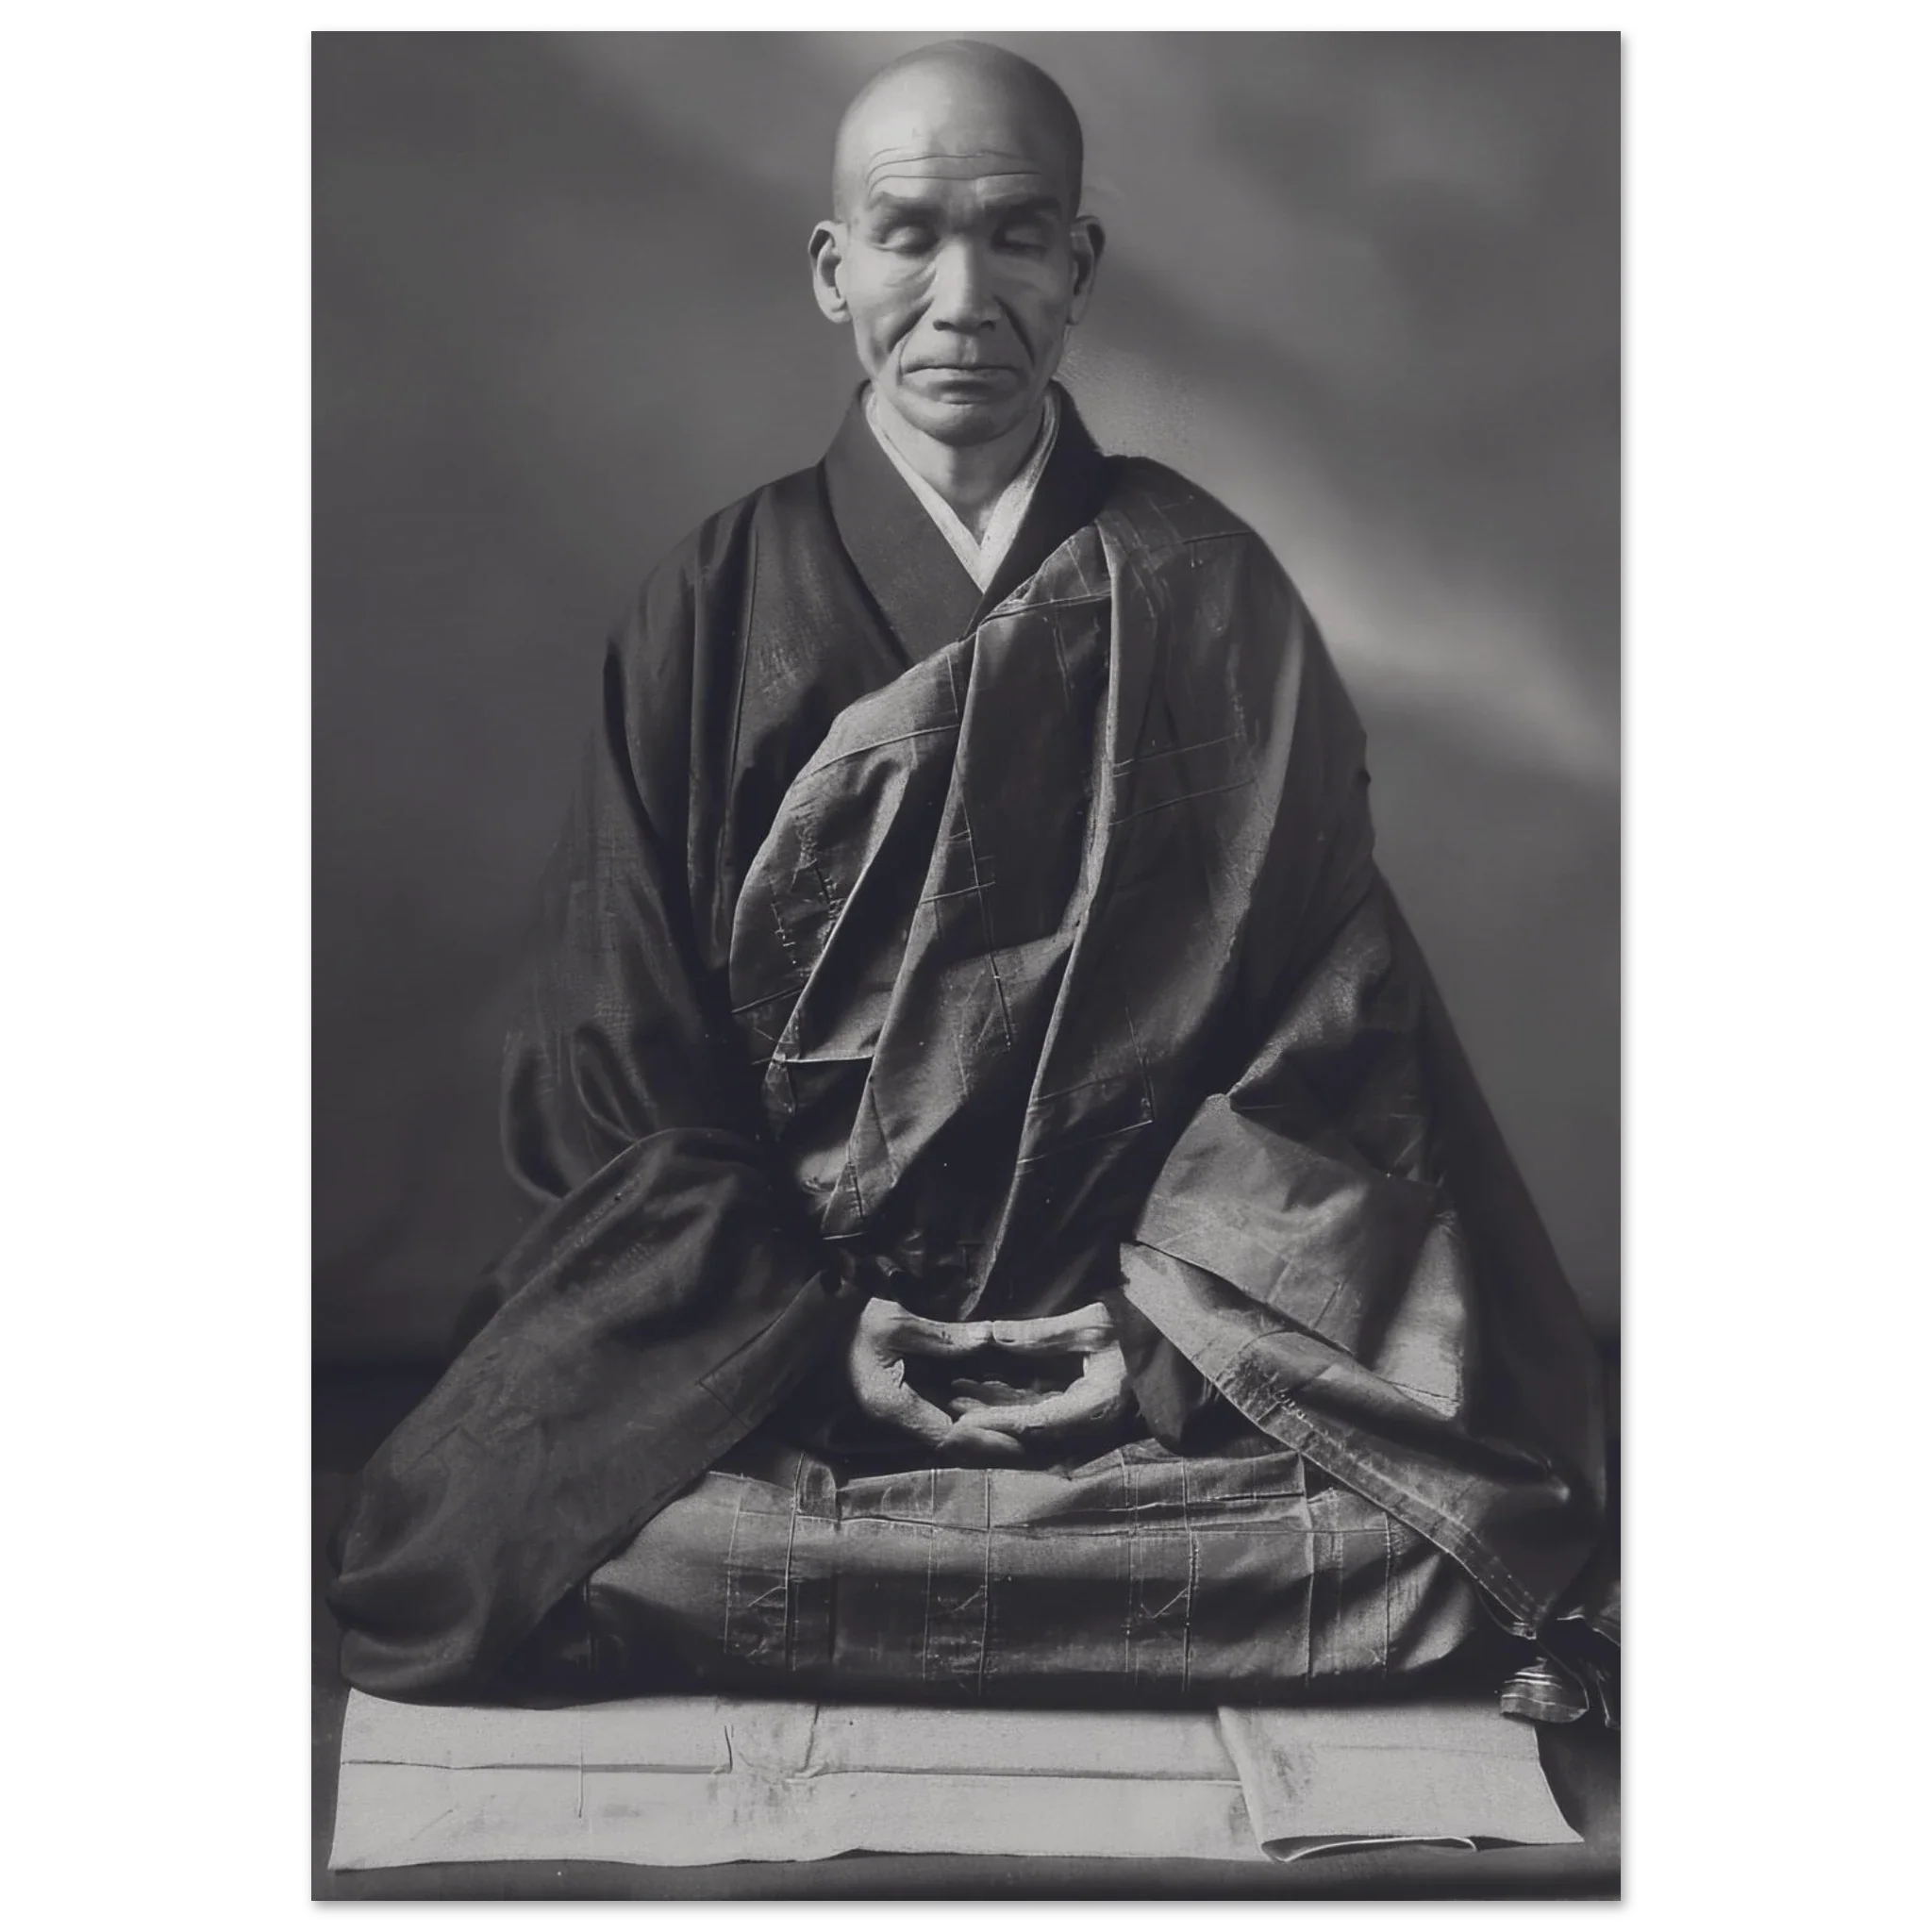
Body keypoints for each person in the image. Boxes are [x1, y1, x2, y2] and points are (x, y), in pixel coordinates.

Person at [326, 40, 1618, 1724]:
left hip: (1149, 1366)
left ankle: (896, 1564)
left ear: (1079, 269)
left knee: (1457, 1544)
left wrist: (1150, 1333)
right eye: (908, 234)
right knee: (467, 1544)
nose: (960, 295)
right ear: (830, 267)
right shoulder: (714, 605)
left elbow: (1337, 1041)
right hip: (798, 1359)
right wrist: (818, 1332)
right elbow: (621, 1068)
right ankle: (985, 1556)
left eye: (1015, 237)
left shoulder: (1208, 596)